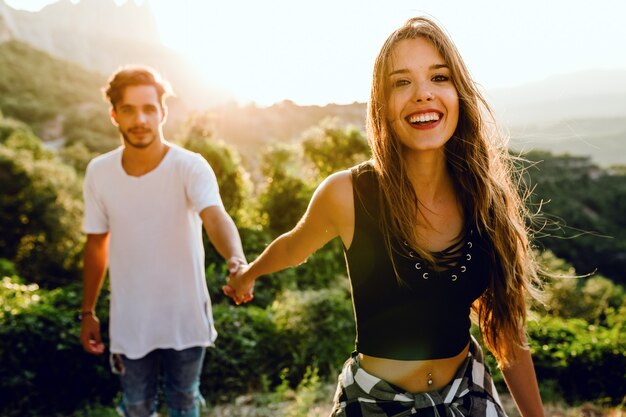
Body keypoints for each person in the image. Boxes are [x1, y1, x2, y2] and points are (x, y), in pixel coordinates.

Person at [224, 16, 545, 417]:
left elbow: (507, 331)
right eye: (401, 82)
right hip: (375, 403)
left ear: (458, 92)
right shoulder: (349, 193)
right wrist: (247, 274)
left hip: (466, 397)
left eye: (439, 77)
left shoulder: (486, 198)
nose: (423, 94)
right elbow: (293, 245)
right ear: (381, 104)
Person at [79, 65, 246, 417]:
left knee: (185, 401)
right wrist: (88, 311)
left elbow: (215, 215)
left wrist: (236, 259)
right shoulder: (99, 172)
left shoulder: (190, 166)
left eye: (149, 109)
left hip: (185, 317)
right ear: (114, 115)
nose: (140, 119)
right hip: (129, 321)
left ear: (163, 113)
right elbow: (96, 244)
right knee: (136, 407)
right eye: (128, 110)